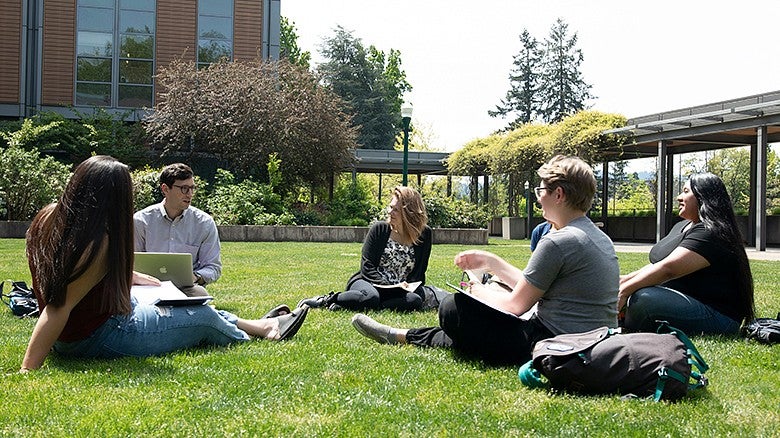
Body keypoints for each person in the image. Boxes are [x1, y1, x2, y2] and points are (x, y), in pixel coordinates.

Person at [20, 156, 308, 372]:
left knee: (188, 306)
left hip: (78, 332)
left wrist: (133, 276)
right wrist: (27, 369)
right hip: (100, 335)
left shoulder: (48, 219)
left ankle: (261, 325)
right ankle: (261, 332)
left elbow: (74, 277)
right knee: (204, 318)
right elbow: (58, 307)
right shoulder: (99, 243)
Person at [352, 156, 619, 365]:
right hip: (592, 339)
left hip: (557, 343)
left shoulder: (559, 241)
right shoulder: (597, 237)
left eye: (541, 190)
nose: (538, 198)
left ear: (558, 194)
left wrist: (477, 290)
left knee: (452, 308)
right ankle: (400, 335)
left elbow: (516, 305)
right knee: (472, 326)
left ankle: (400, 335)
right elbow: (535, 284)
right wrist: (491, 262)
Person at [619, 173, 755, 335]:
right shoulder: (682, 226)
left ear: (703, 197)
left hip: (716, 315)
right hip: (683, 301)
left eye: (685, 191)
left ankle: (622, 325)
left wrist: (625, 290)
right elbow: (657, 265)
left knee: (643, 298)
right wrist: (623, 282)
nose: (678, 197)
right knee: (624, 288)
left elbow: (669, 269)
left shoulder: (712, 232)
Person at [298, 186, 441, 311]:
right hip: (368, 282)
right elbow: (367, 267)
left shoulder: (424, 234)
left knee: (414, 301)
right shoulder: (379, 229)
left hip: (400, 289)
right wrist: (389, 286)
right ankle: (327, 300)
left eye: (396, 210)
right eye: (390, 207)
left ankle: (358, 304)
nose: (390, 212)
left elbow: (419, 272)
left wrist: (406, 288)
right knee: (370, 298)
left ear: (410, 213)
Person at [134, 163, 220, 297]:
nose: (190, 194)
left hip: (185, 288)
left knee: (200, 293)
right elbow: (131, 263)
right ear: (165, 189)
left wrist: (195, 277)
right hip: (147, 287)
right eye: (184, 189)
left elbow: (213, 267)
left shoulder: (204, 223)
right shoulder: (141, 221)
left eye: (192, 188)